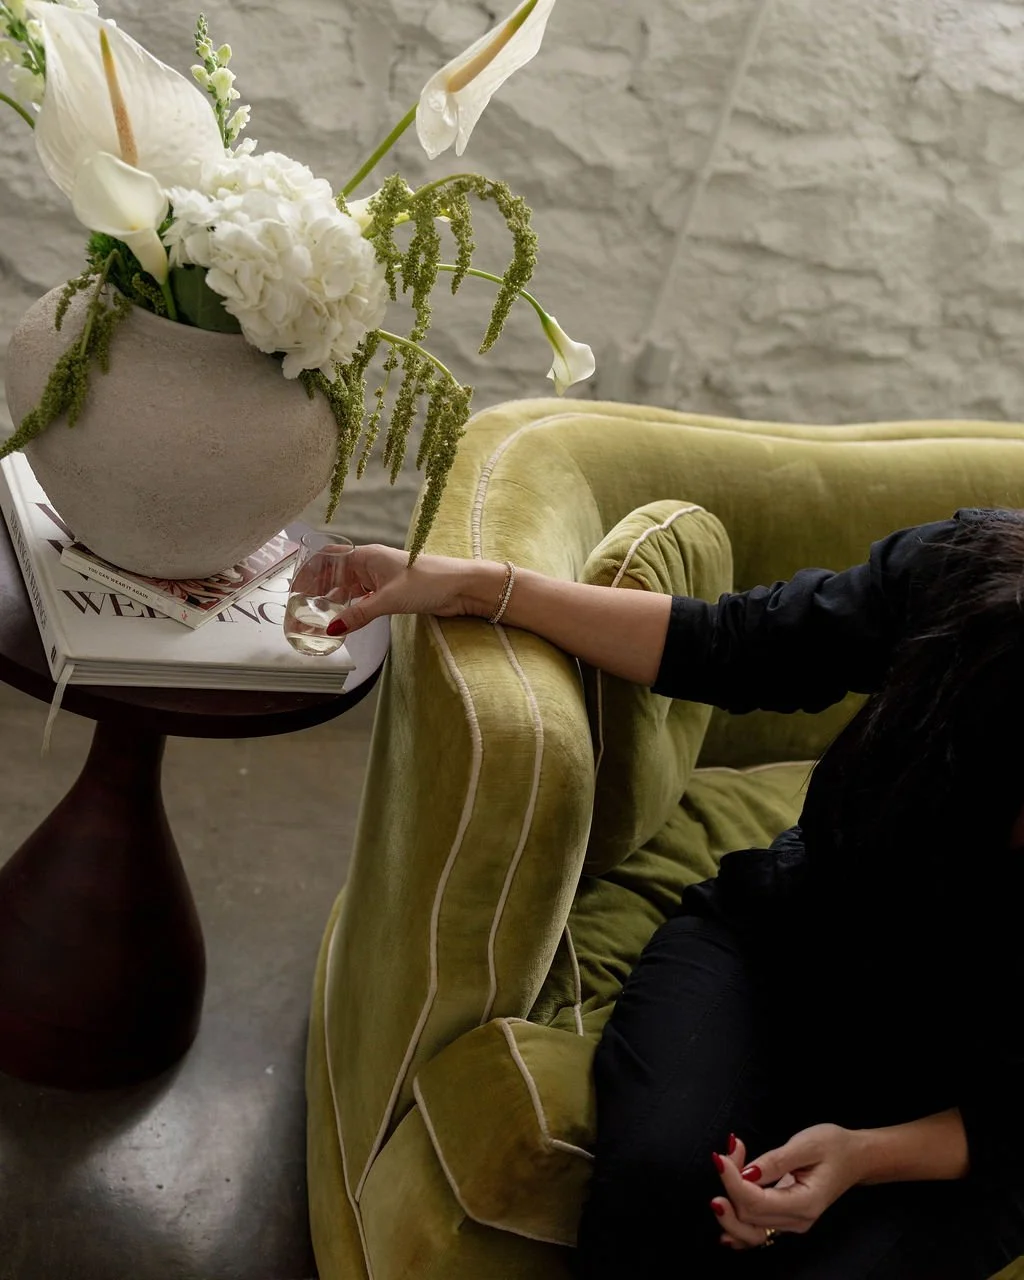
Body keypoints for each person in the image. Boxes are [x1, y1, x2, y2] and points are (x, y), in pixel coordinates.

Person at [325, 507, 1024, 1279]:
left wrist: (866, 1158)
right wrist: (470, 586)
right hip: (786, 943)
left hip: (981, 1101)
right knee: (658, 1181)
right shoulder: (978, 573)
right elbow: (733, 644)